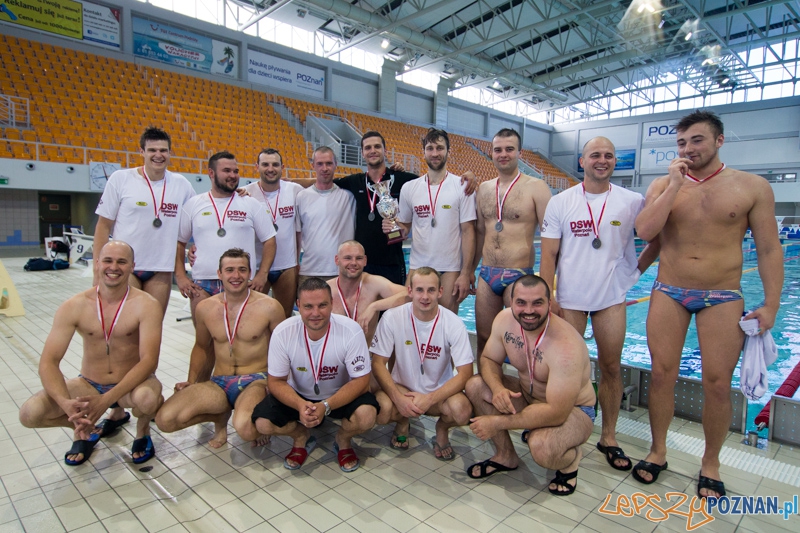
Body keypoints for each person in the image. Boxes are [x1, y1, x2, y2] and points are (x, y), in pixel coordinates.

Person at [633, 110, 783, 498]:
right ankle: (657, 450)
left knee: (717, 385)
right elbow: (646, 232)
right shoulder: (665, 185)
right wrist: (672, 186)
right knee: (661, 375)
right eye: (681, 143)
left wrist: (771, 305)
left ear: (719, 141)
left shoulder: (751, 186)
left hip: (723, 295)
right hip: (669, 290)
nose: (688, 149)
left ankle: (710, 463)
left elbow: (768, 249)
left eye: (696, 140)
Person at [539, 136, 659, 471]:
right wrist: (548, 297)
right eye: (595, 155)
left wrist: (634, 272)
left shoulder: (632, 200)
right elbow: (548, 254)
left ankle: (609, 436)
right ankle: (557, 423)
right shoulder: (561, 202)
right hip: (569, 300)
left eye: (608, 155)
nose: (601, 160)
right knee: (562, 368)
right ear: (582, 161)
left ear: (614, 161)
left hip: (610, 298)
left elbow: (658, 237)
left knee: (610, 367)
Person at [19, 242, 164, 466]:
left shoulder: (146, 305)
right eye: (107, 260)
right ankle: (83, 428)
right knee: (29, 414)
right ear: (97, 263)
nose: (113, 267)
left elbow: (149, 361)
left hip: (131, 385)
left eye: (121, 262)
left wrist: (105, 401)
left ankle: (142, 430)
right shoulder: (74, 306)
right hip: (90, 383)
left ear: (132, 266)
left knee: (147, 400)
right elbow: (49, 362)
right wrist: (66, 405)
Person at [465, 275, 596, 496]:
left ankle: (570, 461)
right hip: (529, 395)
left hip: (572, 411)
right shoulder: (505, 320)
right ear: (512, 301)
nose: (529, 310)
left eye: (537, 303)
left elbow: (556, 413)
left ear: (549, 304)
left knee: (542, 448)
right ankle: (506, 455)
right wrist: (498, 389)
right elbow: (488, 360)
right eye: (521, 303)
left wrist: (497, 422)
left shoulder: (566, 347)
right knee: (477, 386)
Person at [156, 248, 285, 448]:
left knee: (246, 429)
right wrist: (192, 381)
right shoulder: (205, 308)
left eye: (242, 270)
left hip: (256, 380)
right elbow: (201, 347)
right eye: (230, 270)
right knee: (166, 420)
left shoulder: (270, 307)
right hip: (219, 382)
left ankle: (256, 415)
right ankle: (219, 416)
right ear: (219, 274)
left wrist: (277, 384)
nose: (236, 276)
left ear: (250, 273)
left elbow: (284, 350)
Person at [251, 278, 378, 472]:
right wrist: (300, 405)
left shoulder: (350, 331)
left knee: (367, 416)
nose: (316, 313)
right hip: (299, 396)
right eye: (308, 306)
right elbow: (276, 381)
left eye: (322, 305)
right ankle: (301, 436)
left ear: (331, 304)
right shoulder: (283, 332)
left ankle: (342, 440)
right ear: (298, 305)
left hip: (339, 395)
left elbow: (361, 380)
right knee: (262, 423)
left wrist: (325, 405)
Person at [370, 267, 473, 459]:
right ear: (410, 291)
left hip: (438, 394)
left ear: (440, 292)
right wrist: (399, 399)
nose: (425, 297)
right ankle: (402, 421)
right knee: (382, 410)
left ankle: (442, 428)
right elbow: (377, 363)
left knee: (462, 411)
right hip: (403, 390)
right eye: (419, 290)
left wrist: (430, 399)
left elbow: (465, 373)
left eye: (431, 290)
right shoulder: (393, 317)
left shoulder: (453, 323)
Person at [93, 127, 195, 314]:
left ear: (170, 153)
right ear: (142, 152)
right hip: (125, 267)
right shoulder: (121, 179)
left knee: (152, 326)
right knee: (123, 327)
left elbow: (198, 216)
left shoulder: (181, 184)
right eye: (152, 150)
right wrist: (97, 269)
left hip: (161, 269)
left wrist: (234, 195)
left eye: (163, 150)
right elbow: (103, 226)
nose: (158, 155)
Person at [473, 128, 552, 358]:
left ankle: (526, 390)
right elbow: (480, 233)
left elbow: (550, 239)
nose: (503, 154)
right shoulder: (484, 189)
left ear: (520, 152)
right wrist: (469, 271)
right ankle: (486, 390)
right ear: (491, 153)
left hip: (519, 274)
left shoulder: (537, 187)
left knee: (525, 341)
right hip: (487, 274)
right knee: (484, 338)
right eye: (498, 150)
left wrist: (547, 286)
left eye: (509, 149)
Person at [175, 151, 276, 320]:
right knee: (205, 340)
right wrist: (180, 276)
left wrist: (262, 274)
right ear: (211, 173)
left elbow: (270, 240)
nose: (233, 175)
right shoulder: (193, 204)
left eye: (235, 171)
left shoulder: (250, 204)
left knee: (242, 339)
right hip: (203, 284)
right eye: (227, 171)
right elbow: (179, 242)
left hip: (241, 282)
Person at [391, 128, 477, 313]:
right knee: (411, 323)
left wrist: (465, 273)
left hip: (450, 269)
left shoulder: (462, 186)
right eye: (430, 148)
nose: (435, 153)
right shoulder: (409, 188)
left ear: (448, 151)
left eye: (440, 148)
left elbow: (469, 231)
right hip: (417, 266)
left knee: (445, 327)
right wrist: (392, 229)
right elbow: (404, 230)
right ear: (423, 152)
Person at [243, 148, 303, 317]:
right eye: (265, 164)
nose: (271, 169)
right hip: (257, 266)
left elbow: (298, 231)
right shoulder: (245, 193)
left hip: (287, 266)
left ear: (282, 167)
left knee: (284, 316)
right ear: (257, 167)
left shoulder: (294, 190)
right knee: (255, 318)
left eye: (275, 164)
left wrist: (297, 261)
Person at [295, 147, 355, 284]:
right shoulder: (302, 197)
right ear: (312, 166)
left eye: (329, 163)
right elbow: (297, 235)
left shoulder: (348, 196)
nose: (325, 168)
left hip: (341, 271)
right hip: (309, 271)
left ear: (335, 165)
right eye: (320, 164)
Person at [327, 240, 407, 342]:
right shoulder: (326, 289)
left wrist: (374, 306)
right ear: (337, 260)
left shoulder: (374, 284)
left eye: (359, 258)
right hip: (336, 355)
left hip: (366, 355)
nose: (353, 263)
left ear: (365, 260)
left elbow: (411, 294)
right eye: (347, 258)